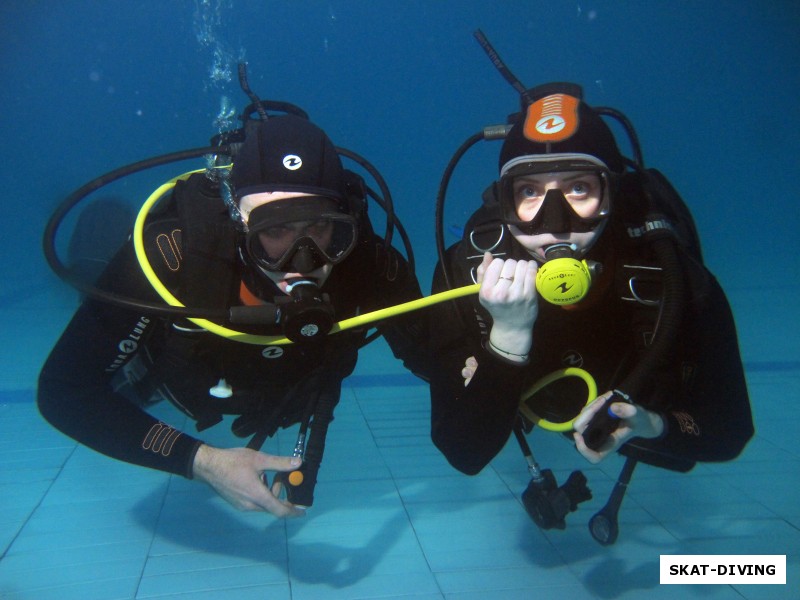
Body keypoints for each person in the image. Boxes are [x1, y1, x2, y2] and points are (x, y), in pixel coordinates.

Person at [38, 106, 428, 518]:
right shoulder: (175, 255)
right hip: (163, 373)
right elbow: (64, 390)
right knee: (105, 335)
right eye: (274, 232)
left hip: (277, 391)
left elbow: (438, 356)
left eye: (318, 229)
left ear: (344, 221)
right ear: (239, 226)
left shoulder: (364, 260)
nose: (303, 260)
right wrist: (202, 462)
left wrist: (500, 337)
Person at [427, 81, 753, 530]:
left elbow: (730, 431)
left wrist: (652, 425)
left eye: (579, 188)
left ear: (612, 194)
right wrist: (507, 336)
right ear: (505, 201)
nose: (555, 223)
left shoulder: (672, 280)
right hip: (522, 396)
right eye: (529, 193)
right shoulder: (466, 272)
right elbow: (464, 452)